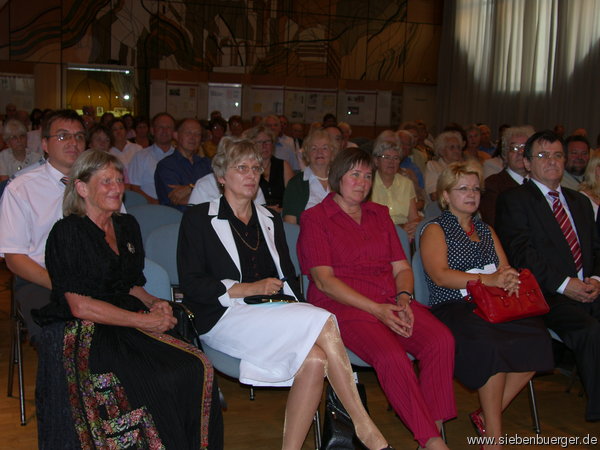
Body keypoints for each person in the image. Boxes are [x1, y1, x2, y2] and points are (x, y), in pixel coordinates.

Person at [177, 137, 391, 450]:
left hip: (271, 311)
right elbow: (192, 283)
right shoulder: (198, 218)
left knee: (316, 359)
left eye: (255, 168)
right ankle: (366, 430)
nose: (251, 174)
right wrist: (249, 288)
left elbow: (287, 279)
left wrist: (296, 312)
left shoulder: (269, 218)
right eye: (241, 168)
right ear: (221, 177)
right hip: (223, 315)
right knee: (325, 320)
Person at [33, 150, 223, 448]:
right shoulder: (67, 232)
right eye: (105, 181)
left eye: (119, 180)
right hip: (86, 328)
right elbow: (79, 304)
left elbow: (131, 284)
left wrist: (152, 302)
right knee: (152, 379)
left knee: (195, 365)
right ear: (82, 188)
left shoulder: (126, 226)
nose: (116, 188)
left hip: (127, 316)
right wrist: (144, 321)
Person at [298, 148, 455, 450]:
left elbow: (402, 268)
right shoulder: (315, 218)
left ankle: (431, 430)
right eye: (354, 174)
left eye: (367, 176)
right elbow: (324, 281)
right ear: (337, 178)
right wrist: (377, 310)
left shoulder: (379, 214)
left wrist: (405, 300)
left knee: (440, 340)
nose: (362, 182)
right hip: (344, 306)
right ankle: (433, 442)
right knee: (391, 357)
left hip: (390, 300)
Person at [420, 161, 553, 448]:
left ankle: (484, 416)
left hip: (493, 304)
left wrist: (509, 280)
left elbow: (504, 269)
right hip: (454, 306)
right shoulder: (435, 229)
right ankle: (494, 436)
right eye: (463, 189)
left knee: (538, 338)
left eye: (476, 189)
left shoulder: (486, 229)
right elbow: (440, 276)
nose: (472, 194)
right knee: (491, 345)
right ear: (445, 195)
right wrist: (488, 280)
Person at [496, 130, 600, 422]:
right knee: (590, 330)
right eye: (542, 155)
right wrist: (566, 285)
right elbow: (521, 255)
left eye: (557, 155)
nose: (551, 162)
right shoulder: (515, 200)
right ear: (527, 163)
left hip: (589, 288)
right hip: (547, 295)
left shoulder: (580, 202)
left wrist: (596, 280)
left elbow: (597, 249)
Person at [0, 109, 85, 341]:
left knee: (126, 330)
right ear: (45, 144)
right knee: (65, 337)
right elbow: (15, 259)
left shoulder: (100, 184)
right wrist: (63, 285)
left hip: (91, 276)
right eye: (63, 136)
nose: (73, 143)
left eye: (79, 136)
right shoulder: (21, 188)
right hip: (41, 280)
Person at [479, 126, 534, 227]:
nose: (520, 152)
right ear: (505, 154)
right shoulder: (493, 184)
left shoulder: (538, 183)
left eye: (524, 148)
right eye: (514, 148)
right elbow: (493, 224)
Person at [154, 118, 212, 211]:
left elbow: (221, 190)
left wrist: (191, 188)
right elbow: (178, 199)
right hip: (176, 219)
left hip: (207, 217)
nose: (193, 137)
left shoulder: (206, 163)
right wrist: (207, 191)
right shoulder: (166, 166)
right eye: (188, 133)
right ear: (176, 135)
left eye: (197, 134)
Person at [282, 128, 336, 224]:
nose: (319, 152)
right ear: (307, 153)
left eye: (325, 148)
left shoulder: (341, 181)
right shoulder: (296, 184)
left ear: (332, 152)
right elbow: (290, 224)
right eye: (314, 148)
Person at [371, 141, 421, 240]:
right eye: (387, 157)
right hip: (377, 235)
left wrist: (411, 229)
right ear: (376, 161)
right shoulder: (368, 183)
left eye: (396, 158)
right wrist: (399, 230)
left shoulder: (406, 184)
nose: (391, 162)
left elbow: (414, 218)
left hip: (404, 236)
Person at [128, 112, 176, 203]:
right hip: (148, 207)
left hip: (176, 207)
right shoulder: (140, 156)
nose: (164, 131)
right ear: (153, 130)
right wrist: (155, 203)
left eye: (168, 127)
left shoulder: (179, 157)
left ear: (174, 132)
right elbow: (134, 188)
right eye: (160, 127)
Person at [243, 125, 293, 211]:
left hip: (282, 214)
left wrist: (281, 210)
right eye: (259, 142)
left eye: (267, 141)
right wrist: (264, 210)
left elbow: (293, 198)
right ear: (252, 145)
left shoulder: (284, 165)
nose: (264, 146)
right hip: (256, 214)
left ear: (273, 144)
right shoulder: (247, 169)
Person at [424, 131, 464, 201]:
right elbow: (434, 196)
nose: (456, 151)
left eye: (458, 147)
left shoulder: (464, 168)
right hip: (441, 208)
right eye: (452, 147)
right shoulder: (433, 166)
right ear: (441, 151)